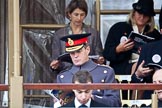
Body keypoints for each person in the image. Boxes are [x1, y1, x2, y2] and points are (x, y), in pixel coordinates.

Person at [56, 33, 121, 107]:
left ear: (87, 50)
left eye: (79, 51)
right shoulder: (63, 76)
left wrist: (92, 98)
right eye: (72, 53)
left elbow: (115, 103)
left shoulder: (106, 72)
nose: (75, 56)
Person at [103, 0, 161, 75]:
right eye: (140, 13)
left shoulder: (154, 34)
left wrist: (146, 52)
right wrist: (118, 49)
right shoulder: (118, 28)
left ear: (150, 18)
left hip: (146, 68)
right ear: (134, 13)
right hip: (122, 68)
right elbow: (107, 54)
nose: (142, 17)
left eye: (146, 15)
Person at [50, 0, 104, 75]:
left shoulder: (93, 34)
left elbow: (99, 56)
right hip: (66, 74)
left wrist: (100, 60)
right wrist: (55, 65)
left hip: (89, 75)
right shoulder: (59, 35)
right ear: (69, 14)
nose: (79, 18)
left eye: (82, 15)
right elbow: (55, 59)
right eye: (76, 14)